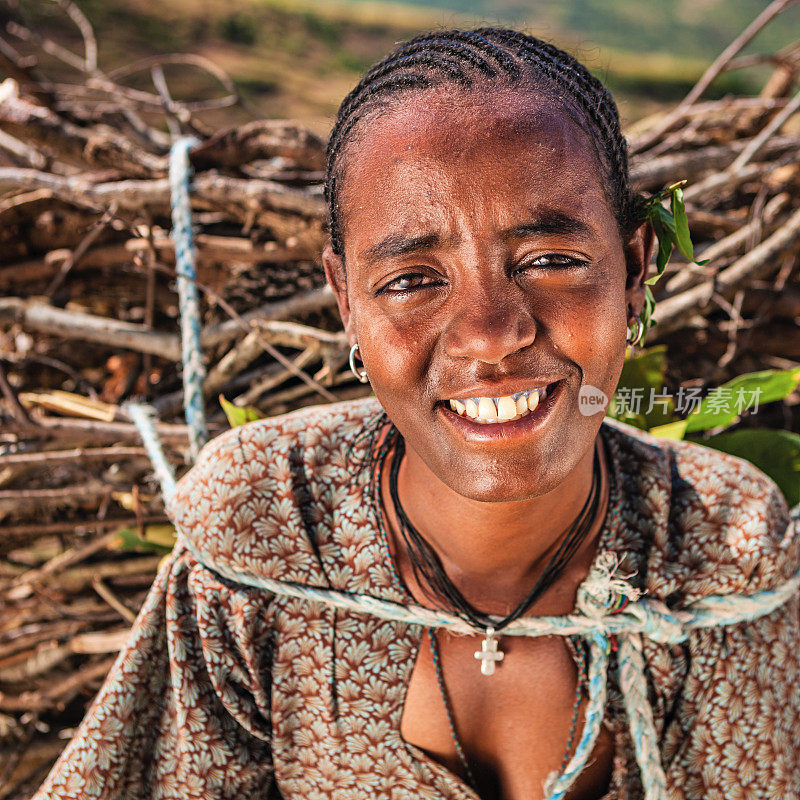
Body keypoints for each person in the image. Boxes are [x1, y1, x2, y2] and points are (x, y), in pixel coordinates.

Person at [34, 28, 799, 800]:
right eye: (411, 279)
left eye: (550, 261)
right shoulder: (268, 541)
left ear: (633, 271)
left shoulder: (717, 557)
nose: (493, 335)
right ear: (345, 302)